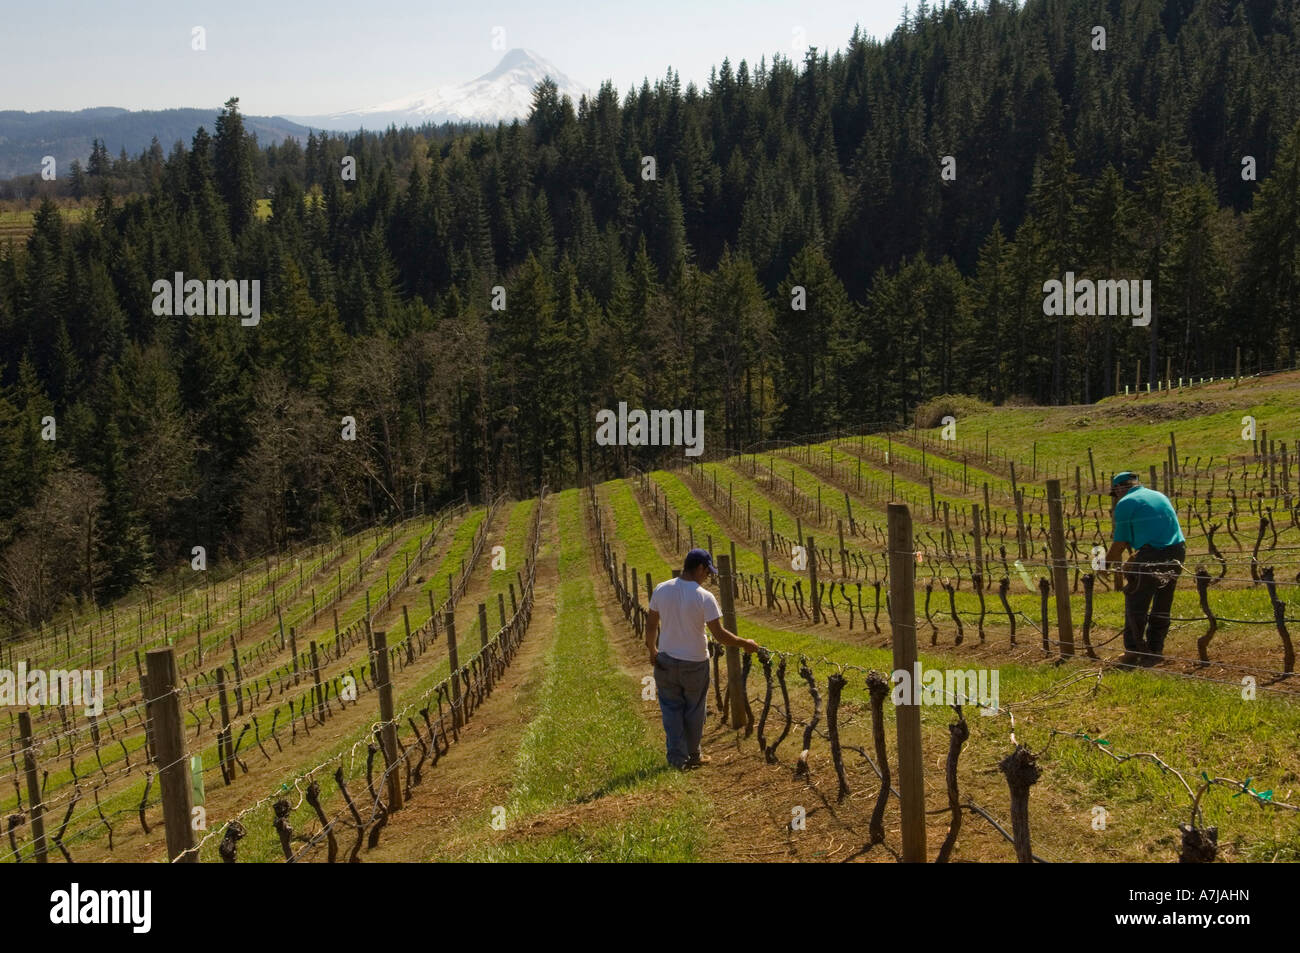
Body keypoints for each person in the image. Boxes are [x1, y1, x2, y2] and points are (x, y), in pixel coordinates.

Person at [645, 549, 760, 770]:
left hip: (666, 661)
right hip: (694, 663)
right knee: (694, 710)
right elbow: (720, 635)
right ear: (699, 568)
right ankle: (693, 754)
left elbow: (651, 625)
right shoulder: (704, 597)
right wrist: (746, 643)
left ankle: (677, 759)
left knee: (671, 710)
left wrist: (652, 651)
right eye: (707, 572)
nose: (707, 576)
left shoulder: (661, 589)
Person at [1104, 471, 1186, 668]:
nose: (1117, 498)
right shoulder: (1159, 495)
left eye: (1115, 494)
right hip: (1177, 552)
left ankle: (1133, 651)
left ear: (1119, 488)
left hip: (1151, 556)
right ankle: (1156, 649)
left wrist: (1104, 565)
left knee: (1136, 602)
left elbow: (1120, 543)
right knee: (1162, 602)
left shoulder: (1125, 504)